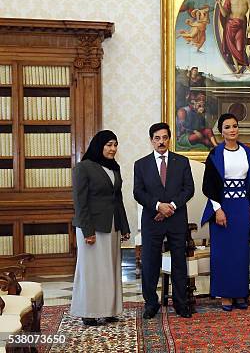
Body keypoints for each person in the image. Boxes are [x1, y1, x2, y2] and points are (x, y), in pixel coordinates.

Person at [134, 122, 195, 319]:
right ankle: (151, 304)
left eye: (164, 138)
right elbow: (138, 192)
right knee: (151, 263)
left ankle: (180, 303)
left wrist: (171, 207)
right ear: (151, 140)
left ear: (169, 139)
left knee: (178, 261)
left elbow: (188, 189)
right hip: (152, 219)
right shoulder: (141, 164)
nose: (161, 142)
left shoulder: (182, 161)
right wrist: (158, 206)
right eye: (157, 138)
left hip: (176, 219)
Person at [70, 130, 131, 326]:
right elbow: (80, 202)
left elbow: (117, 199)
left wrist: (124, 225)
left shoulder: (115, 168)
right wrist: (87, 231)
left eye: (115, 145)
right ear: (99, 145)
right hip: (92, 227)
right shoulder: (83, 167)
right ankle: (89, 311)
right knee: (92, 270)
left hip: (112, 225)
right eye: (109, 145)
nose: (113, 149)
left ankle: (109, 310)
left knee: (110, 268)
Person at [201, 113, 250, 311]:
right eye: (227, 127)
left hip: (242, 206)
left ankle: (240, 293)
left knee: (241, 252)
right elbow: (208, 186)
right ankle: (225, 294)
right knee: (223, 253)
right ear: (221, 131)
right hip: (222, 207)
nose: (232, 130)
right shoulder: (215, 154)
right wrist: (218, 210)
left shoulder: (248, 153)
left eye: (235, 126)